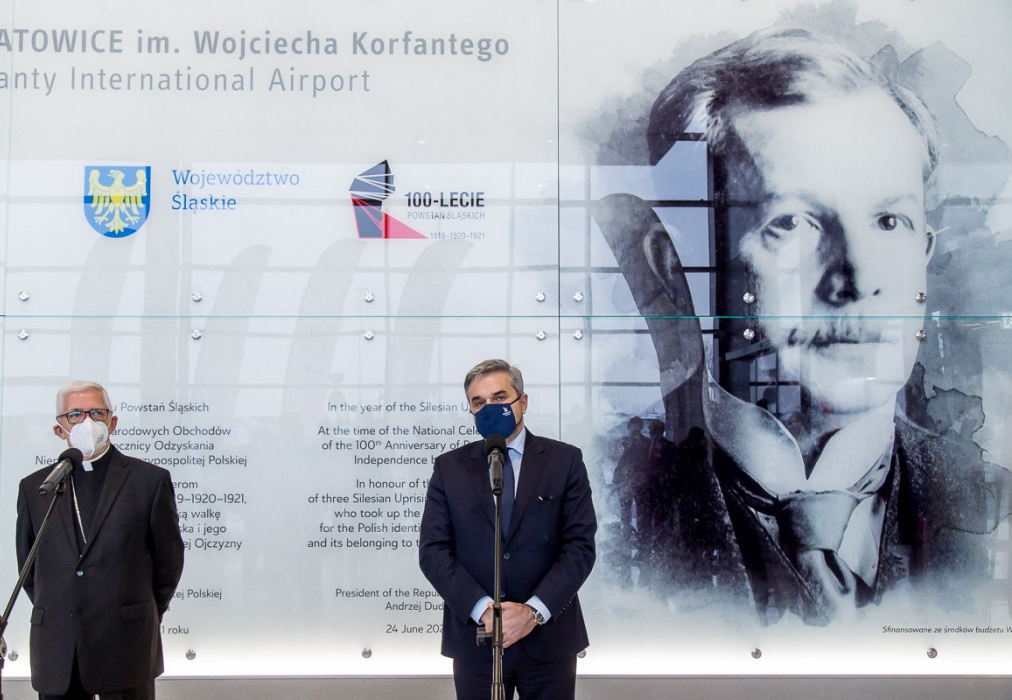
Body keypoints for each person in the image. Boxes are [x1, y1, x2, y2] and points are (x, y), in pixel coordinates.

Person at [593, 27, 1009, 625]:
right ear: (677, 263)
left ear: (925, 249)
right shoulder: (605, 500)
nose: (859, 279)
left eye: (889, 221)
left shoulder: (996, 506)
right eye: (791, 222)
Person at [419, 359, 597, 700]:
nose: (489, 408)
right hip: (477, 641)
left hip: (549, 642)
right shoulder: (449, 468)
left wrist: (533, 612)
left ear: (523, 401)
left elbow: (579, 547)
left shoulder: (564, 461)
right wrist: (484, 610)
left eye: (499, 398)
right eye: (479, 402)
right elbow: (433, 551)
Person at [16, 380, 185, 699]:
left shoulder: (148, 481)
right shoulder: (36, 487)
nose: (87, 421)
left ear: (113, 422)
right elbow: (29, 568)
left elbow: (169, 564)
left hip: (126, 642)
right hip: (58, 647)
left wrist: (140, 610)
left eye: (97, 412)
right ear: (59, 429)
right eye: (75, 414)